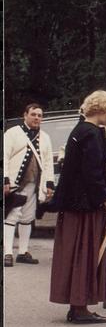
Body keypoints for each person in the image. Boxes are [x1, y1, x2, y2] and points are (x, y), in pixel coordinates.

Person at [49, 91, 106, 323]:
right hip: (84, 205)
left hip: (75, 202)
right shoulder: (90, 133)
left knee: (77, 252)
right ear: (100, 110)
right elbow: (91, 173)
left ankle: (77, 305)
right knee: (84, 252)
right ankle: (79, 308)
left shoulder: (82, 129)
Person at [4, 104, 55, 267]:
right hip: (15, 184)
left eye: (40, 115)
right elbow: (4, 156)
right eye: (33, 114)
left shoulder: (45, 137)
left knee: (27, 218)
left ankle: (22, 252)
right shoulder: (12, 133)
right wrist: (5, 179)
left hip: (34, 185)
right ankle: (7, 253)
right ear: (25, 115)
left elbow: (48, 163)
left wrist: (49, 184)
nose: (36, 118)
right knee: (11, 217)